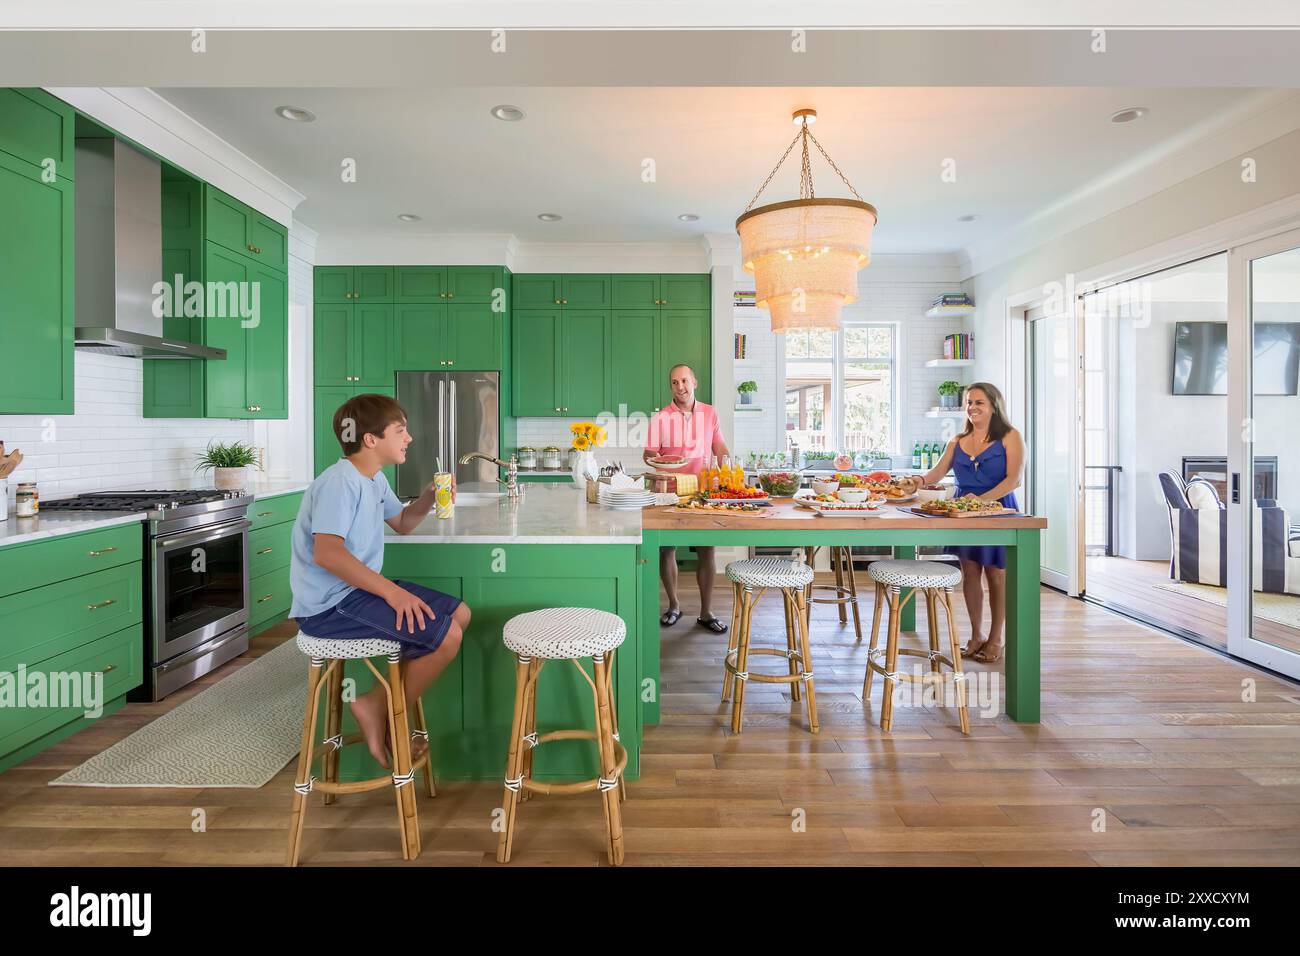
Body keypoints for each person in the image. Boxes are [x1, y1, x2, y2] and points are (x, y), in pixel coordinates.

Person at [290, 393, 471, 768]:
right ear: (370, 439)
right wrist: (393, 593)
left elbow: (402, 523)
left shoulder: (372, 478)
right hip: (329, 606)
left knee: (461, 615)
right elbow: (327, 553)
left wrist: (426, 500)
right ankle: (380, 709)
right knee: (447, 636)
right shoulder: (341, 483)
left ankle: (381, 703)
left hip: (354, 593)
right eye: (400, 431)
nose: (409, 439)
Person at [908, 382, 1024, 663]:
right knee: (970, 572)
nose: (972, 408)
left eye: (978, 402)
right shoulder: (957, 440)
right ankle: (976, 635)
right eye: (969, 403)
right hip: (962, 513)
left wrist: (982, 500)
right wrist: (917, 482)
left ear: (994, 405)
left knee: (996, 574)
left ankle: (996, 639)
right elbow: (937, 473)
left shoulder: (1010, 437)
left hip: (998, 511)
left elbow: (1014, 480)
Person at [643, 363, 730, 633]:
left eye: (684, 381)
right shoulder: (660, 418)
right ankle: (674, 605)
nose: (680, 387)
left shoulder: (710, 413)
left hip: (701, 490)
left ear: (694, 382)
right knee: (666, 548)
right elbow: (648, 453)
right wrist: (653, 458)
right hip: (669, 490)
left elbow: (719, 446)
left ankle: (706, 611)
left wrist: (726, 461)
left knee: (706, 549)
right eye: (674, 382)